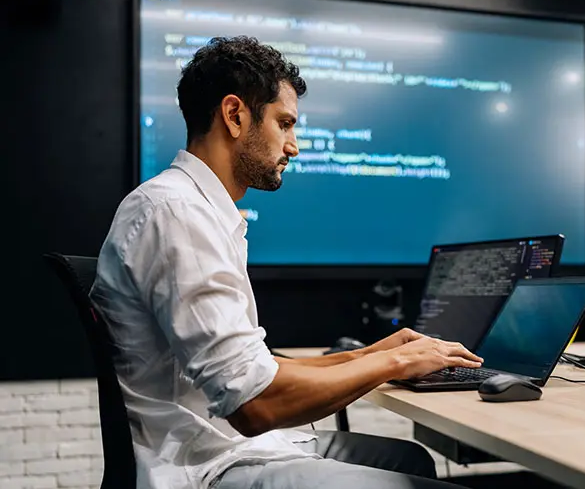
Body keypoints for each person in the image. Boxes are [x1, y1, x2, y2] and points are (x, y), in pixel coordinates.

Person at [90, 36, 483, 489]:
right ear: (235, 115)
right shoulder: (176, 214)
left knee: (408, 460)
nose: (293, 146)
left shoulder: (199, 212)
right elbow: (257, 406)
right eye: (285, 124)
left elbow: (258, 368)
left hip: (226, 444)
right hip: (203, 465)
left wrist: (368, 355)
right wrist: (395, 365)